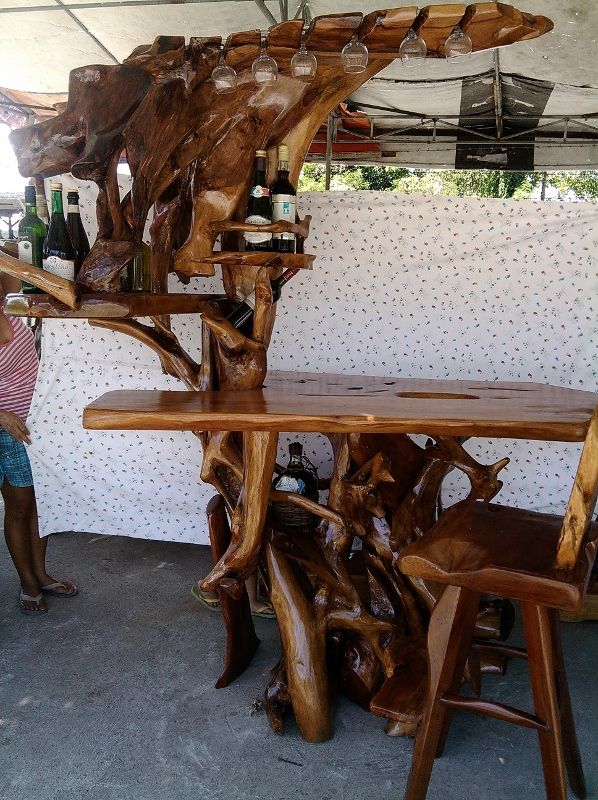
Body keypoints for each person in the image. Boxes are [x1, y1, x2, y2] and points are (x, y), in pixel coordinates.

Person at [0, 272, 78, 615]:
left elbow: (27, 272)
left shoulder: (10, 304)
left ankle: (41, 575)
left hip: (34, 421)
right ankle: (28, 583)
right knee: (18, 505)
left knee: (40, 501)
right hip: (9, 426)